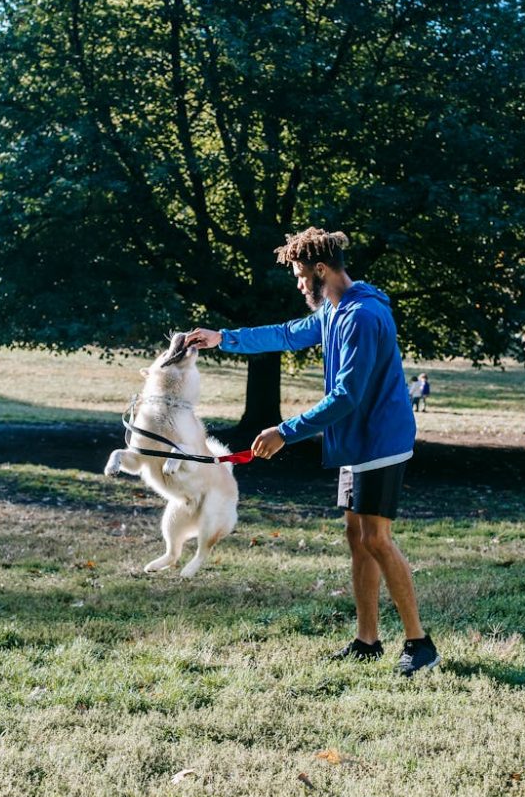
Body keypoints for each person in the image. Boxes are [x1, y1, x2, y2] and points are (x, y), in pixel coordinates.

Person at [185, 227, 440, 677]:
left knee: (377, 539)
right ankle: (367, 641)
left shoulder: (361, 316)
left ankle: (420, 644)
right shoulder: (334, 311)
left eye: (301, 275)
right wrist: (222, 337)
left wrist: (285, 431)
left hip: (380, 442)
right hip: (354, 444)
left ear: (321, 270)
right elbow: (286, 334)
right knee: (357, 539)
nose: (299, 284)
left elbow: (347, 396)